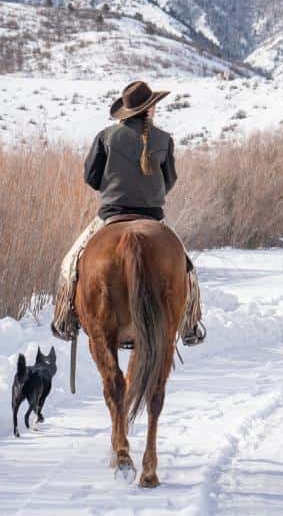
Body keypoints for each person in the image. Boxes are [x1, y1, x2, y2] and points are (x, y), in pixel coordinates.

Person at [52, 80, 205, 346]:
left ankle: (66, 319)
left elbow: (91, 177)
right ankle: (190, 325)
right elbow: (169, 181)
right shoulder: (164, 139)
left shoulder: (105, 136)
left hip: (111, 214)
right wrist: (150, 192)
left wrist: (112, 185)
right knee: (188, 269)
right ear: (148, 109)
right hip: (153, 217)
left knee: (70, 263)